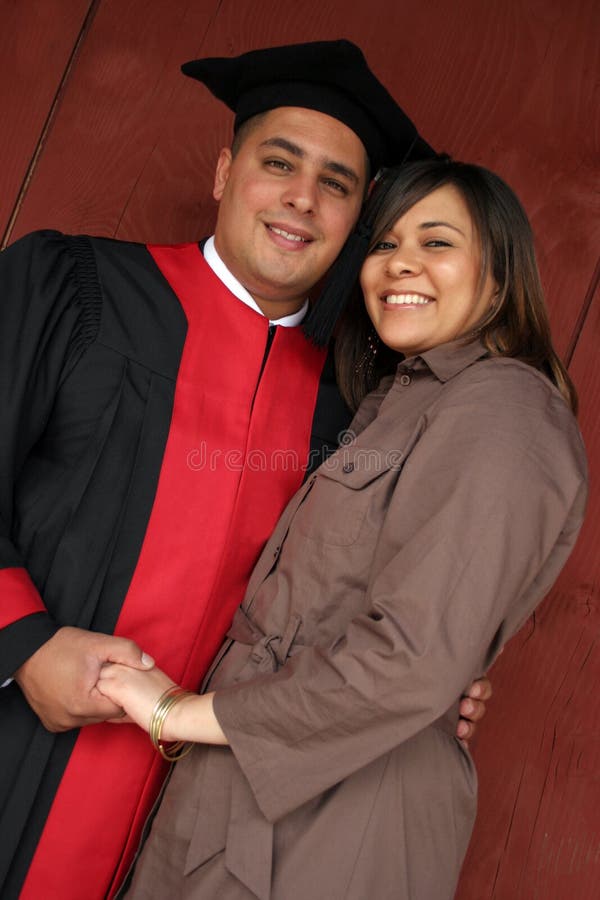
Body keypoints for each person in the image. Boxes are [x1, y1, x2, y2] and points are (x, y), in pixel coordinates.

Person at [0, 41, 489, 900]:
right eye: (278, 162)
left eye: (336, 184)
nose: (302, 198)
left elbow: (372, 610)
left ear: (355, 222)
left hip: (192, 824)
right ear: (225, 171)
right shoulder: (73, 290)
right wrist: (21, 645)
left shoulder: (352, 408)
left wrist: (439, 681)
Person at [97, 157, 588, 900]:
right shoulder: (405, 399)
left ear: (499, 275)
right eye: (385, 244)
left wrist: (176, 712)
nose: (400, 266)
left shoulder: (503, 409)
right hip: (259, 786)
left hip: (332, 815)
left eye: (437, 242)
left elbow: (413, 661)